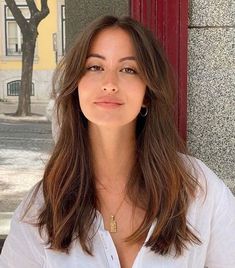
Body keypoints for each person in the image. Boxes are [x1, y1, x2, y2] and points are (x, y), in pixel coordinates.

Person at [0, 15, 235, 268]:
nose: (110, 84)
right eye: (95, 67)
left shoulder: (199, 190)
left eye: (128, 70)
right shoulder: (42, 207)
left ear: (147, 93)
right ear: (76, 86)